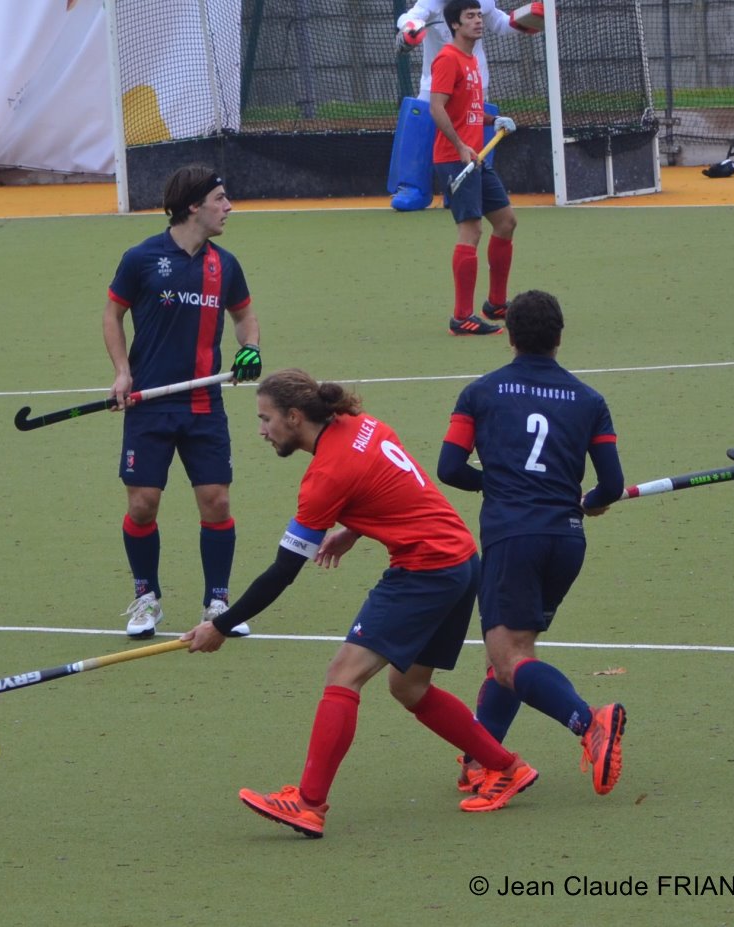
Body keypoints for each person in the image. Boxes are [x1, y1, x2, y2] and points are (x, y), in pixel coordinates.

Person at [183, 369, 539, 838]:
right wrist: (355, 527)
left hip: (425, 569)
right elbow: (391, 482)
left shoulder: (325, 476)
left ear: (294, 417)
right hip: (460, 558)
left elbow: (283, 573)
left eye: (266, 419)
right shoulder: (358, 423)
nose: (262, 431)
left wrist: (221, 626)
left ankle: (308, 804)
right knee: (408, 687)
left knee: (343, 674)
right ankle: (507, 767)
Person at [437, 290, 627, 797]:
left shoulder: (480, 394)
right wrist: (589, 500)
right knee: (511, 653)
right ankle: (481, 756)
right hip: (566, 540)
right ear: (559, 338)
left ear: (512, 338)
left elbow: (450, 468)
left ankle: (589, 722)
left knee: (509, 658)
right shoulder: (589, 401)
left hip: (512, 536)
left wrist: (496, 482)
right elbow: (610, 484)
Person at [103, 164, 263, 640]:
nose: (228, 207)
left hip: (203, 405)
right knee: (142, 506)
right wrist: (121, 372)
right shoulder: (141, 258)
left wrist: (249, 347)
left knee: (216, 501)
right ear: (194, 205)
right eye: (219, 198)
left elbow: (245, 315)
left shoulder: (225, 265)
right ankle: (146, 597)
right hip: (148, 403)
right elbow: (113, 314)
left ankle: (218, 602)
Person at [389, 0, 542, 211]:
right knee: (422, 117)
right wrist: (410, 27)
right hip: (435, 78)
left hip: (473, 75)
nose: (477, 20)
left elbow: (498, 22)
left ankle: (466, 185)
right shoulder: (431, 2)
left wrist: (522, 21)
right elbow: (408, 17)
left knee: (472, 121)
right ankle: (412, 187)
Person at [429, 0, 521, 336]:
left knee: (506, 222)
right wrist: (459, 146)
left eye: (480, 15)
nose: (479, 21)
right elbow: (436, 108)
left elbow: (467, 111)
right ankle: (461, 317)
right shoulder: (447, 59)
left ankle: (496, 303)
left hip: (476, 156)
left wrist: (493, 119)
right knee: (471, 231)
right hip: (456, 159)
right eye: (470, 17)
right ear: (455, 24)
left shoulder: (471, 62)